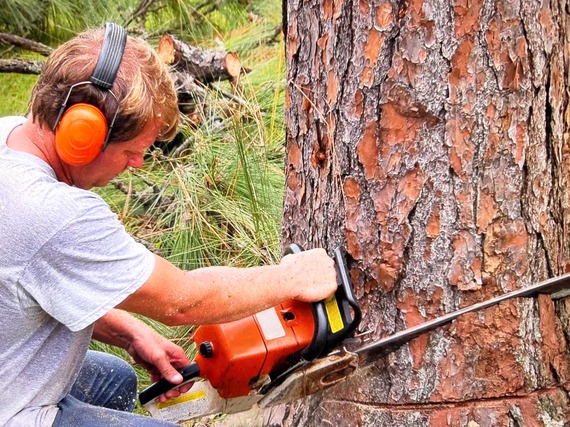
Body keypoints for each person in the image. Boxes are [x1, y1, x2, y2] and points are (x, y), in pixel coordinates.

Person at [0, 23, 338, 427]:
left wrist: (130, 333)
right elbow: (182, 300)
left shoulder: (9, 135)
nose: (137, 163)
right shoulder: (53, 213)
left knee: (116, 378)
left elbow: (31, 279)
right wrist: (292, 278)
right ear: (82, 136)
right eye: (130, 151)